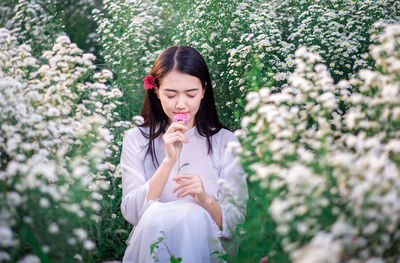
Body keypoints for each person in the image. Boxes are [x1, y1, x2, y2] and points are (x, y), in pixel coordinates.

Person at [120, 45, 248, 263]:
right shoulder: (137, 139)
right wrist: (168, 162)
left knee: (192, 215)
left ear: (204, 91)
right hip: (152, 240)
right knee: (156, 215)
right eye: (170, 95)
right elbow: (132, 214)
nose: (181, 105)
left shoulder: (225, 141)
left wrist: (205, 199)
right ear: (157, 91)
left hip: (204, 247)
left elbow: (237, 223)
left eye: (191, 94)